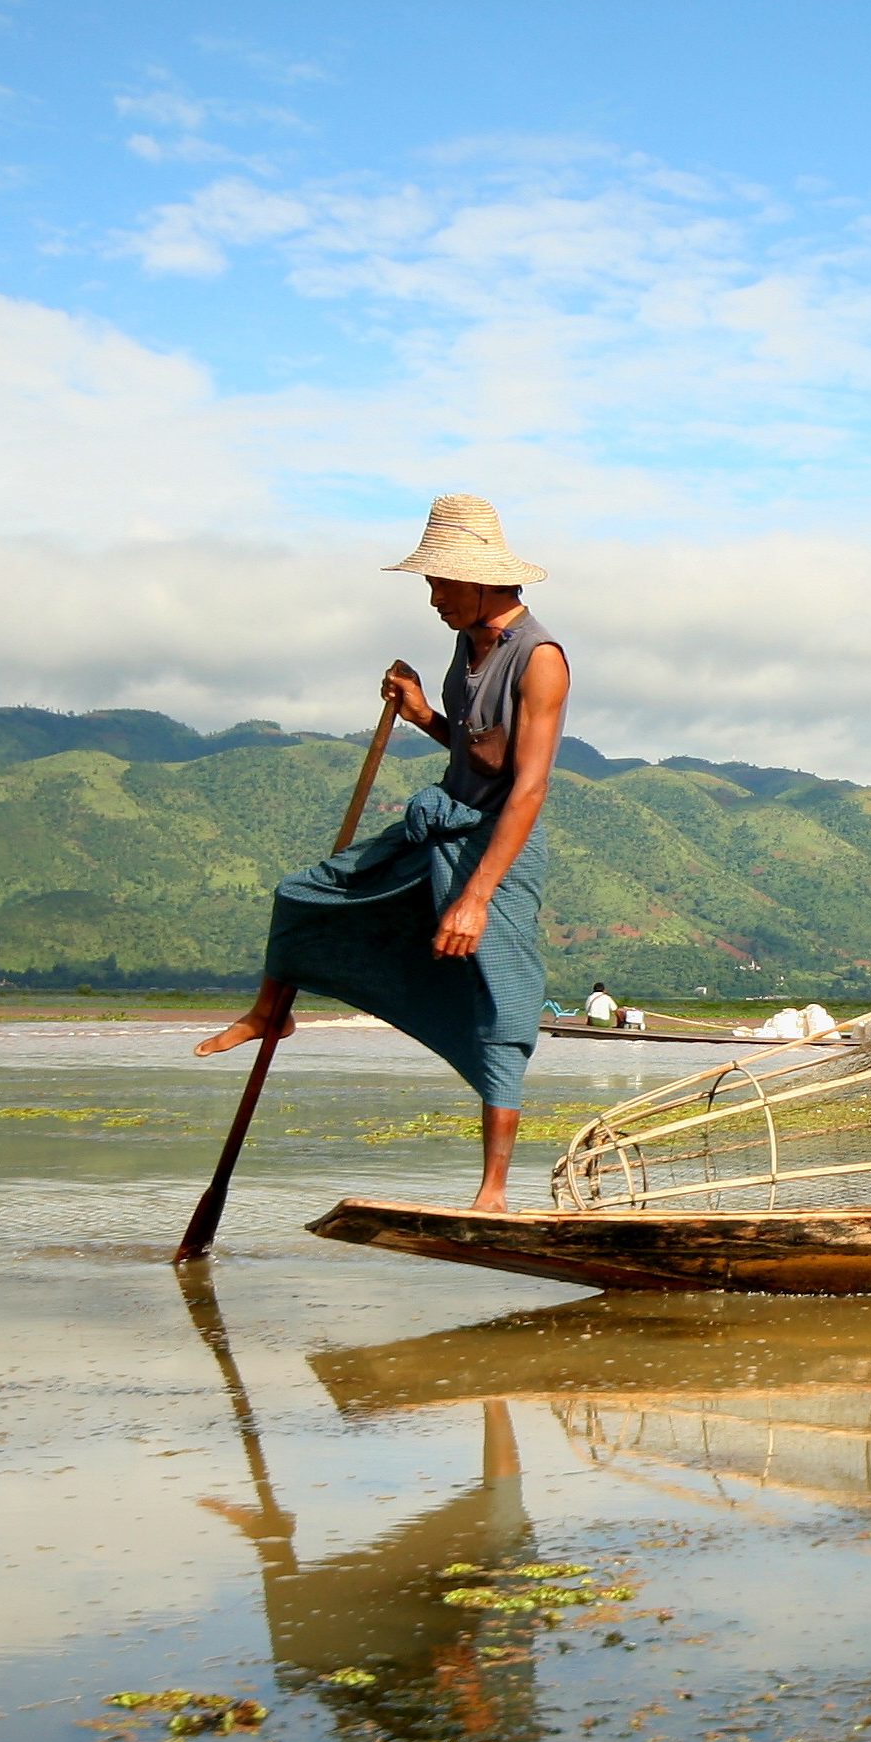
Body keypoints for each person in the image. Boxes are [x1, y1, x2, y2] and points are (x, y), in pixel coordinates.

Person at [197, 495, 566, 1210]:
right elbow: (479, 754)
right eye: (430, 583)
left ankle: (492, 1192)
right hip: (440, 825)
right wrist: (424, 712)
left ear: (480, 580)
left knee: (502, 1002)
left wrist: (475, 900)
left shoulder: (540, 660)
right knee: (305, 894)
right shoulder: (469, 643)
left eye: (441, 583)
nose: (433, 599)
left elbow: (526, 787)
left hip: (497, 848)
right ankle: (271, 1012)